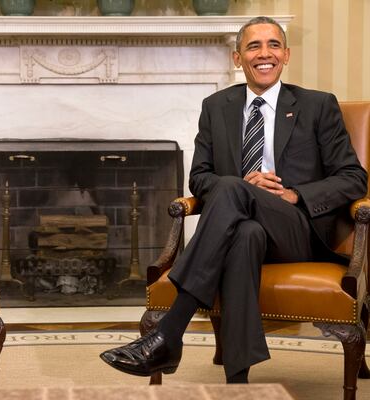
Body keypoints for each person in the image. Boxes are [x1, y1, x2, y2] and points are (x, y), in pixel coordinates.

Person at [100, 16, 367, 384]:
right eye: (253, 46)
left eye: (273, 45)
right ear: (236, 58)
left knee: (231, 189)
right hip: (242, 227)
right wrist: (241, 186)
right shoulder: (216, 106)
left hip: (298, 231)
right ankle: (237, 383)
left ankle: (170, 330)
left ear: (286, 55)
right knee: (243, 230)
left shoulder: (317, 105)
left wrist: (293, 194)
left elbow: (354, 178)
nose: (265, 54)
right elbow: (199, 178)